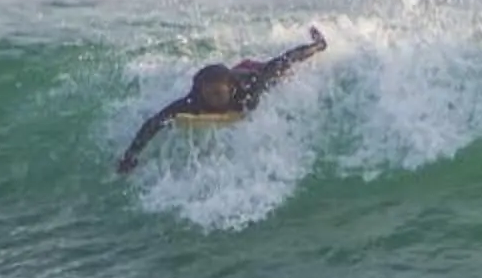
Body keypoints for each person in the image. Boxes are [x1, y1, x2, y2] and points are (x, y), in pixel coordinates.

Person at [116, 27, 327, 173]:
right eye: (208, 94)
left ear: (230, 90)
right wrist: (131, 155)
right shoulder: (196, 99)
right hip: (231, 74)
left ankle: (319, 43)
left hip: (252, 70)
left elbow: (287, 58)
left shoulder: (249, 90)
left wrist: (317, 46)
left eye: (218, 94)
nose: (212, 100)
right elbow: (155, 122)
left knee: (283, 73)